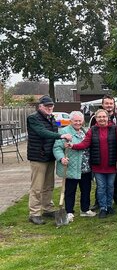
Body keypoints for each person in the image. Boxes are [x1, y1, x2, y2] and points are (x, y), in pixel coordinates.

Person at [26, 95, 72, 225]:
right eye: (47, 106)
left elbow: (52, 137)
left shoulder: (51, 118)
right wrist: (61, 135)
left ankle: (47, 208)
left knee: (48, 185)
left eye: (51, 106)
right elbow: (42, 133)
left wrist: (63, 145)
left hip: (49, 156)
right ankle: (34, 213)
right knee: (37, 186)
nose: (50, 108)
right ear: (40, 106)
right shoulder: (33, 118)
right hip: (38, 157)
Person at [72, 109, 117, 218]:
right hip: (97, 165)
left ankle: (109, 206)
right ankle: (103, 208)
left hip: (111, 164)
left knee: (110, 186)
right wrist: (73, 146)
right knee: (101, 187)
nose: (102, 119)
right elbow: (85, 143)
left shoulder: (115, 129)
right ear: (96, 118)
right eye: (99, 117)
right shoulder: (92, 130)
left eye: (103, 117)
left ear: (107, 117)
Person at [53, 111, 94, 222]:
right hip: (71, 166)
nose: (78, 123)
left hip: (85, 167)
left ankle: (85, 210)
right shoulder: (64, 132)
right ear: (70, 121)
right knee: (70, 190)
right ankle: (69, 212)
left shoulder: (85, 131)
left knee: (86, 189)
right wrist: (61, 158)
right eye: (75, 121)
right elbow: (57, 148)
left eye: (80, 121)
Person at [90, 94, 117, 207]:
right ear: (103, 104)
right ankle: (98, 202)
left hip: (114, 153)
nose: (109, 105)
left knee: (116, 178)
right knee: (100, 182)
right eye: (107, 103)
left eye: (111, 103)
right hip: (99, 154)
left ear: (114, 105)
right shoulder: (95, 118)